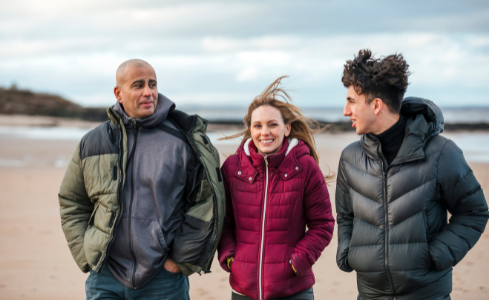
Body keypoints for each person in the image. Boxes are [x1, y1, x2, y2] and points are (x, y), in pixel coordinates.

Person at [58, 59, 225, 300]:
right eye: (138, 85)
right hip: (105, 276)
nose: (148, 92)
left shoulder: (182, 141)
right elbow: (72, 201)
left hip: (163, 278)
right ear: (119, 93)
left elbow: (206, 203)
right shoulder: (93, 142)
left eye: (152, 84)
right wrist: (87, 255)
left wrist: (179, 260)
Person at [335, 49, 489, 300]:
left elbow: (474, 211)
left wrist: (437, 254)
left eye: (352, 101)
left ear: (376, 105)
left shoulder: (441, 153)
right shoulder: (350, 158)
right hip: (369, 295)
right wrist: (348, 251)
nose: (345, 110)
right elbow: (345, 215)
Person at [218, 76, 335, 300]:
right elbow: (224, 223)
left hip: (293, 289)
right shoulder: (233, 168)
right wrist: (232, 259)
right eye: (258, 125)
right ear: (250, 129)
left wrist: (296, 262)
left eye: (273, 124)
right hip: (243, 289)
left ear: (287, 128)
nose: (265, 132)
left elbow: (323, 224)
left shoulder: (305, 167)